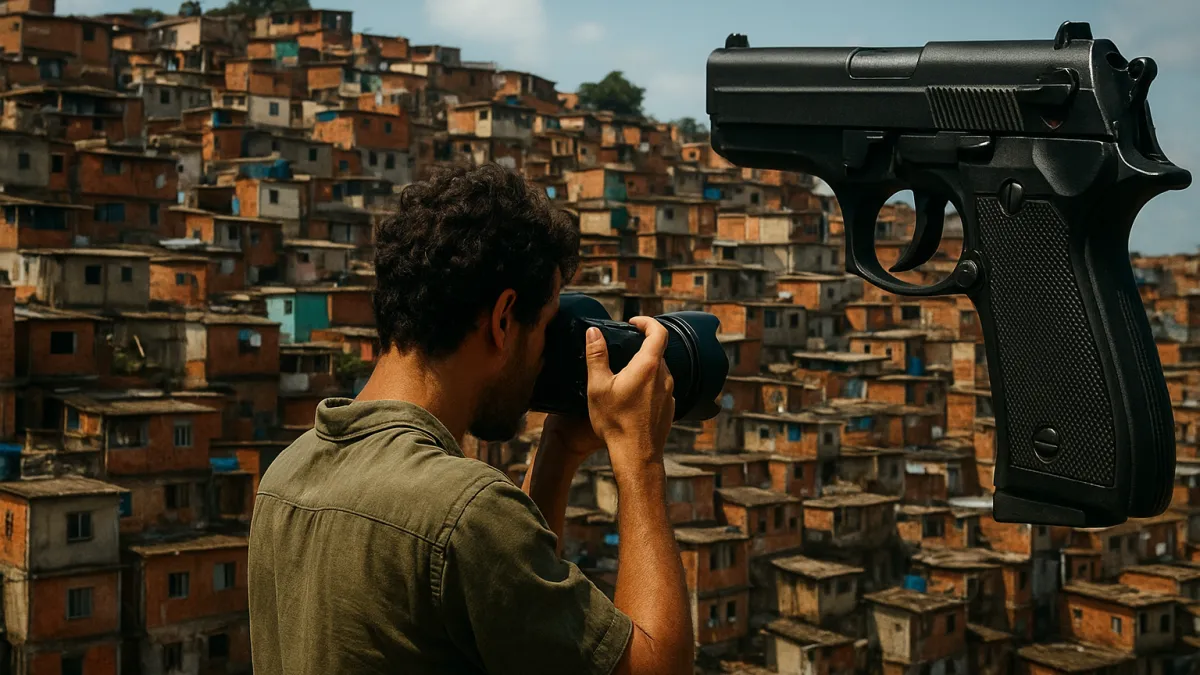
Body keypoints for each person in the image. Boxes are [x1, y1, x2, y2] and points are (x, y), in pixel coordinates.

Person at [248, 163, 694, 675]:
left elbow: (507, 617)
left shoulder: (285, 475)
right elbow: (657, 667)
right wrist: (638, 456)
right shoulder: (462, 511)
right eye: (546, 326)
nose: (547, 355)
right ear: (504, 319)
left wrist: (559, 450)